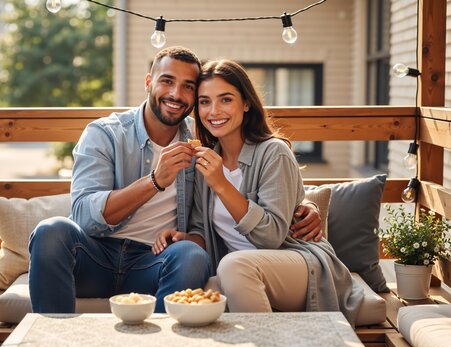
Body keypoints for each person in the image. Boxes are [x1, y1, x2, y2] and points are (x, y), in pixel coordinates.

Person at [29, 47, 321, 313]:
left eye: (188, 88)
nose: (176, 94)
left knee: (191, 255)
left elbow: (261, 179)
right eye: (167, 81)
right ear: (148, 83)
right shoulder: (105, 134)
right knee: (51, 231)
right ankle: (51, 342)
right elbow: (83, 215)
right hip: (97, 256)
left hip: (154, 262)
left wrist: (307, 202)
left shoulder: (201, 143)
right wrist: (155, 180)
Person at [152, 59, 364, 325]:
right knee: (192, 299)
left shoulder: (274, 153)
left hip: (298, 264)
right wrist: (184, 238)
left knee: (233, 266)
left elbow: (270, 237)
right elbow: (201, 231)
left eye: (225, 99)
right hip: (242, 271)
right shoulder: (206, 162)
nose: (214, 111)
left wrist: (222, 184)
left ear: (246, 103)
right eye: (205, 101)